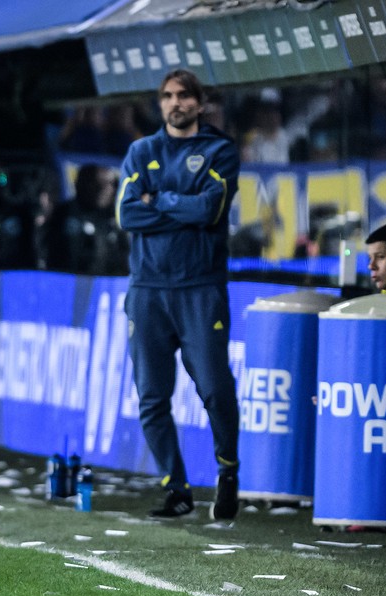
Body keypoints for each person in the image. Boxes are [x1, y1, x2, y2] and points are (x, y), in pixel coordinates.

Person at [116, 69, 242, 520]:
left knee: (214, 387)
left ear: (200, 102)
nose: (175, 103)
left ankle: (228, 471)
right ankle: (177, 488)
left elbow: (210, 210)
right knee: (151, 397)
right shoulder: (141, 151)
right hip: (147, 290)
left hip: (200, 289)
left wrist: (160, 200)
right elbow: (127, 215)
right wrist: (179, 206)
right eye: (167, 96)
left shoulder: (219, 150)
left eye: (184, 95)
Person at [39, 163, 128, 275]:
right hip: (64, 282)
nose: (102, 189)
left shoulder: (116, 222)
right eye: (95, 183)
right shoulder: (62, 214)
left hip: (104, 287)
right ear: (79, 184)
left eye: (109, 184)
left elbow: (126, 261)